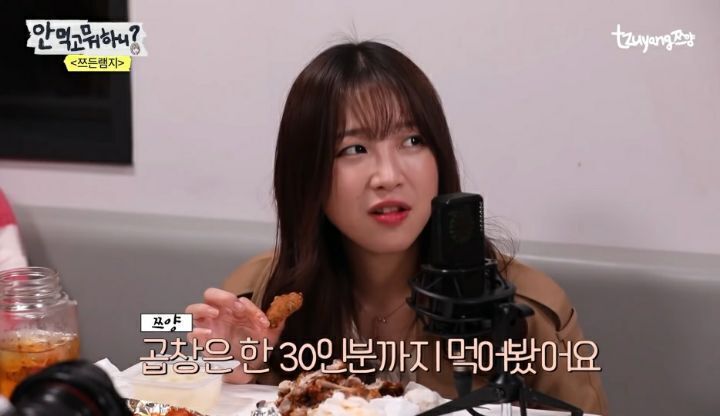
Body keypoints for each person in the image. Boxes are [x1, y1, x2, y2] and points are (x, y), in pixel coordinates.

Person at [186, 41, 609, 415]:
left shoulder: (525, 310)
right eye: (354, 148)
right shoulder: (257, 298)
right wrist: (226, 381)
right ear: (307, 174)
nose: (388, 176)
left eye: (412, 141)